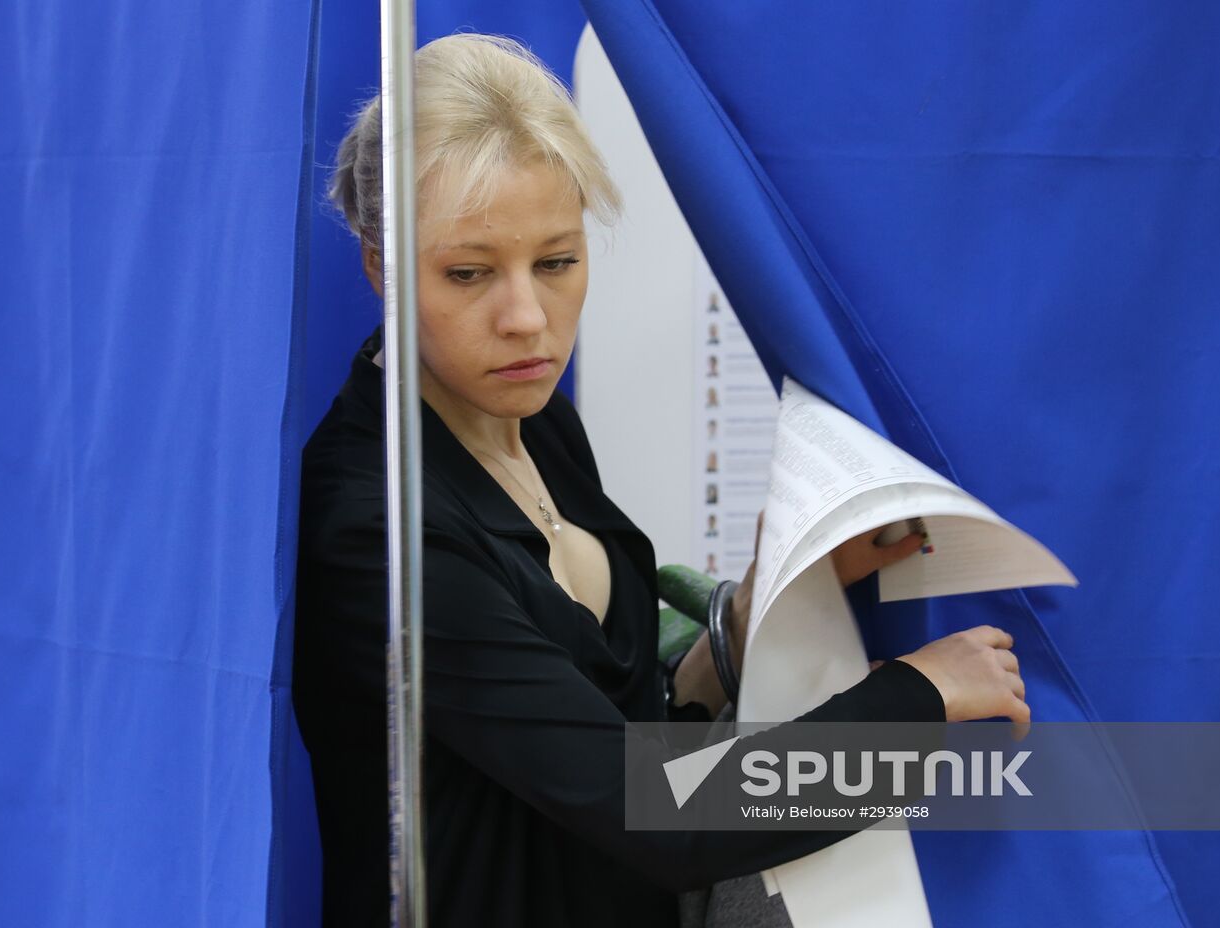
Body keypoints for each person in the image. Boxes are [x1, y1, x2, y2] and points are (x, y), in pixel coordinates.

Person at [292, 33, 1029, 928]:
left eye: (557, 262)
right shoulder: (374, 526)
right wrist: (914, 701)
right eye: (470, 273)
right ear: (381, 266)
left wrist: (764, 608)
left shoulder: (536, 420)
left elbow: (616, 726)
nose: (528, 319)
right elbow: (651, 809)